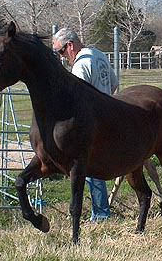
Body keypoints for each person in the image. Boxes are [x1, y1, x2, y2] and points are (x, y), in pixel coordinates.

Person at [53, 28, 118, 221]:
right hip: (107, 115)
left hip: (91, 120)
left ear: (70, 45)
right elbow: (114, 84)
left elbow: (77, 98)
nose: (62, 57)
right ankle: (100, 211)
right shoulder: (99, 55)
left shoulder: (81, 65)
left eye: (61, 51)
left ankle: (100, 214)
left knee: (90, 167)